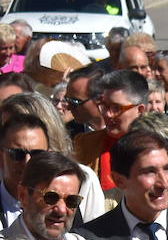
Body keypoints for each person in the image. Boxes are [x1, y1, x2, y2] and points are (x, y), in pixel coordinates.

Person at [0, 93, 105, 226]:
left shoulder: (82, 179)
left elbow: (93, 235)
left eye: (70, 200)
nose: (26, 161)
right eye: (17, 153)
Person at [72, 69, 148, 191]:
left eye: (116, 108)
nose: (108, 114)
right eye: (105, 106)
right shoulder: (85, 144)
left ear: (140, 110)